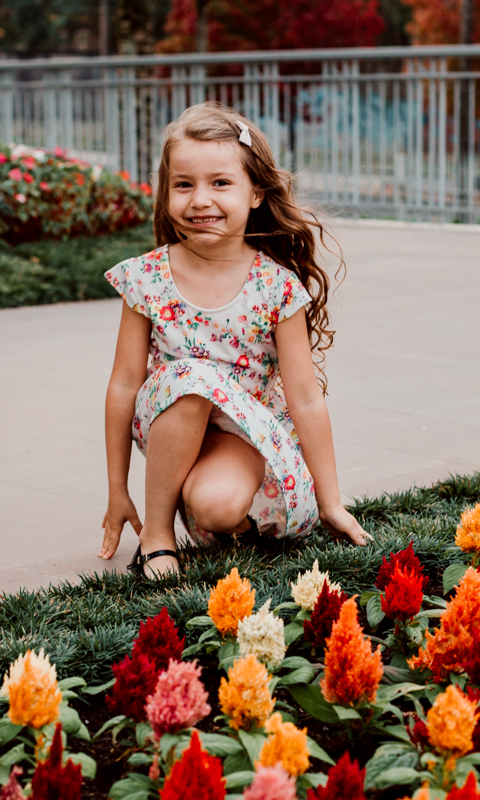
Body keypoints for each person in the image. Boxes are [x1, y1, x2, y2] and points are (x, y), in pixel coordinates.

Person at [99, 102, 370, 578]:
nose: (200, 199)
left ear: (257, 193)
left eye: (220, 183)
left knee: (218, 509)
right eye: (184, 184)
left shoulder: (277, 287)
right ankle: (158, 533)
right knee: (191, 379)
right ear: (166, 193)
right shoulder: (145, 278)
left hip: (240, 434)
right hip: (167, 419)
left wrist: (331, 502)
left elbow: (305, 398)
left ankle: (215, 505)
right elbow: (124, 384)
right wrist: (117, 488)